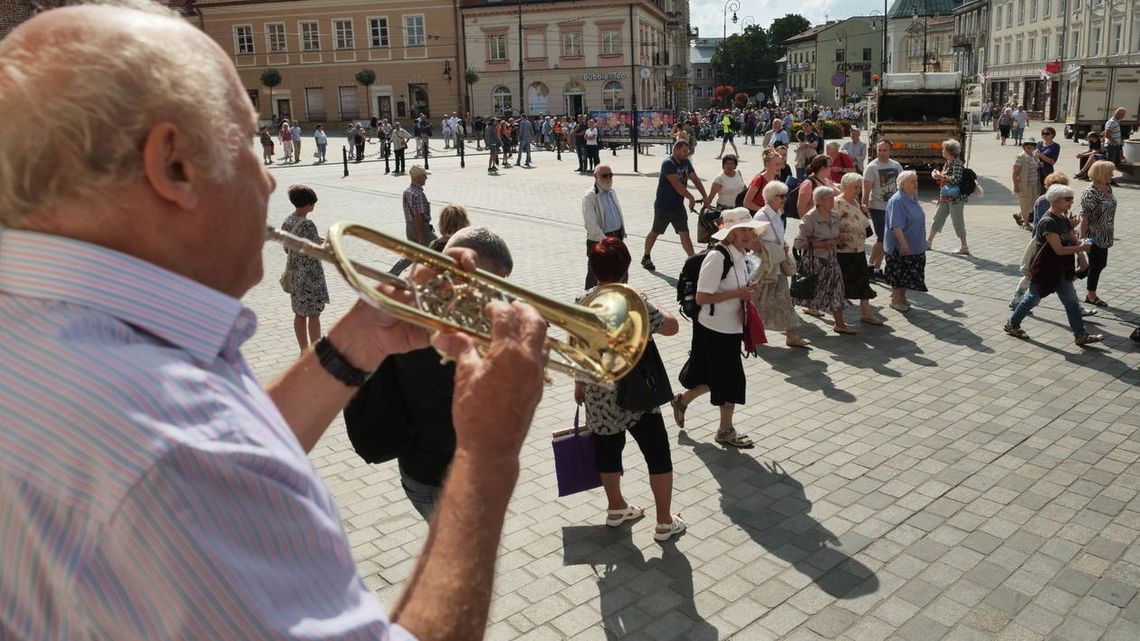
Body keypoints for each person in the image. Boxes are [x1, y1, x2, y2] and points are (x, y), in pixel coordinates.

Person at [0, 5, 551, 640]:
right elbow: (192, 461)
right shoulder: (164, 448)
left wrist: (354, 343)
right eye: (247, 140)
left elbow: (231, 455)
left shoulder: (60, 330)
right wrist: (488, 456)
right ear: (174, 165)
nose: (268, 177)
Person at [346, 228, 514, 520]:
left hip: (424, 470)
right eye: (493, 283)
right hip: (441, 478)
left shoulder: (416, 308)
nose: (497, 296)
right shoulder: (436, 328)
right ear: (468, 269)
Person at [574, 238, 686, 541]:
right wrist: (651, 298)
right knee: (657, 452)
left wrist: (579, 383)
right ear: (625, 268)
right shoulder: (635, 302)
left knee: (608, 450)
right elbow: (673, 326)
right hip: (637, 392)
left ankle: (616, 508)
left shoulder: (582, 301)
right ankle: (664, 522)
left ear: (593, 268)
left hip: (599, 392)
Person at [669, 208, 767, 449]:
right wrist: (739, 293)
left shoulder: (740, 255)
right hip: (714, 329)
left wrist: (746, 291)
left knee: (719, 377)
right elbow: (702, 297)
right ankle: (725, 431)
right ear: (729, 233)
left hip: (730, 326)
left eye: (748, 229)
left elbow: (735, 288)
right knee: (729, 380)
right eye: (739, 230)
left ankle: (682, 401)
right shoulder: (718, 257)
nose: (746, 234)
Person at [1005, 186, 1104, 347]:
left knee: (1071, 303)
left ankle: (1080, 335)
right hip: (1046, 270)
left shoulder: (1062, 217)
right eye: (1067, 199)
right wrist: (1082, 249)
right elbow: (1059, 249)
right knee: (1032, 298)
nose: (1071, 202)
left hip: (1062, 270)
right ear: (1055, 201)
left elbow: (1072, 240)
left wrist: (1080, 255)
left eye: (1071, 198)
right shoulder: (1048, 221)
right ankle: (1012, 324)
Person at [751, 181, 810, 347]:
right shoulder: (762, 216)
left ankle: (791, 335)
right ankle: (752, 333)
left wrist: (782, 244)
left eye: (786, 195)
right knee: (759, 302)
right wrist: (772, 249)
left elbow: (776, 235)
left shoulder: (777, 213)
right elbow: (755, 242)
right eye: (781, 196)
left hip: (777, 265)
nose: (785, 199)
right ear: (770, 197)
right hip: (767, 266)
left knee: (783, 301)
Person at [793, 186, 856, 334]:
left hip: (832, 260)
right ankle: (789, 322)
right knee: (803, 293)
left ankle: (840, 324)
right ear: (820, 201)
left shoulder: (834, 216)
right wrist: (821, 244)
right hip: (815, 262)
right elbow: (799, 243)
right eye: (830, 198)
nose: (833, 200)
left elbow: (834, 234)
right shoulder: (810, 218)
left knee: (837, 291)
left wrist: (841, 236)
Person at [642, 140, 707, 270]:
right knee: (656, 231)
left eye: (687, 152)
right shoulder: (668, 163)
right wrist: (691, 197)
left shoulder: (686, 162)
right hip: (664, 206)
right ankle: (646, 256)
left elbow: (695, 179)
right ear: (676, 149)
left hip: (678, 206)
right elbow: (676, 184)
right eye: (684, 151)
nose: (686, 154)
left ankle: (692, 260)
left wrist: (705, 196)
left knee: (684, 233)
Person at [281, 185, 330, 352]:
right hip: (311, 276)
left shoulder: (288, 221)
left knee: (299, 313)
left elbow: (287, 248)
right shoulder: (308, 224)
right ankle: (315, 349)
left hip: (295, 274)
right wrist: (326, 244)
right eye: (312, 203)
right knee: (314, 314)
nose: (314, 206)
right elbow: (315, 251)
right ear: (306, 203)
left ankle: (303, 350)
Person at [835, 173, 882, 325]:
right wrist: (840, 235)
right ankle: (840, 320)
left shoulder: (855, 202)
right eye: (854, 187)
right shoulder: (838, 203)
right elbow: (830, 225)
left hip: (859, 250)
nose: (857, 190)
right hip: (843, 252)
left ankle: (866, 313)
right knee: (842, 284)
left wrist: (864, 212)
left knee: (863, 281)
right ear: (845, 186)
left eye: (859, 187)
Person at [884, 170, 928, 312]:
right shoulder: (897, 201)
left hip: (915, 245)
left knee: (907, 274)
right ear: (902, 184)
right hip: (901, 246)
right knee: (899, 273)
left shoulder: (913, 196)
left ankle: (902, 298)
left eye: (916, 180)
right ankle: (896, 300)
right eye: (912, 181)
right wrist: (903, 243)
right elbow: (896, 226)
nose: (916, 184)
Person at [1079, 160, 1118, 308]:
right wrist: (1082, 240)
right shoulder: (1090, 193)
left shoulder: (1107, 187)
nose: (1112, 175)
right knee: (1097, 265)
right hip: (1093, 234)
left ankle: (1072, 277)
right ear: (1100, 174)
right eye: (1109, 173)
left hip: (1106, 234)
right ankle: (1091, 295)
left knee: (1100, 264)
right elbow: (1084, 218)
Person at [862, 139, 902, 280]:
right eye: (879, 150)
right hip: (877, 207)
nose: (882, 153)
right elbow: (866, 190)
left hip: (892, 208)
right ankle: (870, 265)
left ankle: (877, 268)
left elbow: (901, 188)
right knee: (882, 237)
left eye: (885, 150)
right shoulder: (872, 167)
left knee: (888, 238)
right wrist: (864, 206)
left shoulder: (896, 166)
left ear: (890, 151)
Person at [582, 164, 627, 289]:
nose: (608, 178)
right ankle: (588, 302)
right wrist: (604, 240)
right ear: (595, 177)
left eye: (610, 175)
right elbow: (591, 225)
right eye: (604, 175)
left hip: (617, 236)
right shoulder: (590, 196)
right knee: (595, 274)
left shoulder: (612, 192)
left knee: (621, 271)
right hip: (599, 240)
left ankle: (621, 298)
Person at [390, 165, 436, 276]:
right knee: (438, 248)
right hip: (420, 227)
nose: (426, 178)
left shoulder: (408, 191)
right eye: (424, 175)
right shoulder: (419, 194)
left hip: (409, 226)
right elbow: (418, 216)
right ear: (418, 177)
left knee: (413, 253)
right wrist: (421, 236)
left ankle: (393, 273)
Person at [927, 139, 970, 255]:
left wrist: (940, 176)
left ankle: (964, 247)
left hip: (955, 198)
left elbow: (956, 179)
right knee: (937, 218)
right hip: (945, 196)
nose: (942, 151)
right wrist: (938, 175)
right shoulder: (947, 163)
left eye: (944, 149)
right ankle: (928, 242)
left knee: (957, 221)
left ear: (950, 151)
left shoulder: (957, 163)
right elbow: (946, 176)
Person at [1013, 138, 1042, 229]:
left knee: (1032, 204)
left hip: (1034, 185)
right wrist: (1016, 185)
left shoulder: (1034, 155)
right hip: (1025, 185)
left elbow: (1037, 166)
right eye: (1027, 145)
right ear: (1024, 146)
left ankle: (1019, 215)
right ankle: (1026, 224)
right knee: (1025, 204)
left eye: (1032, 145)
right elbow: (1015, 172)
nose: (1029, 146)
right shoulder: (1021, 157)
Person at [741, 147, 781, 213]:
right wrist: (764, 211)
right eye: (776, 164)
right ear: (767, 165)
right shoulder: (759, 179)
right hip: (756, 217)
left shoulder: (776, 179)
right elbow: (746, 203)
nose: (779, 167)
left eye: (780, 164)